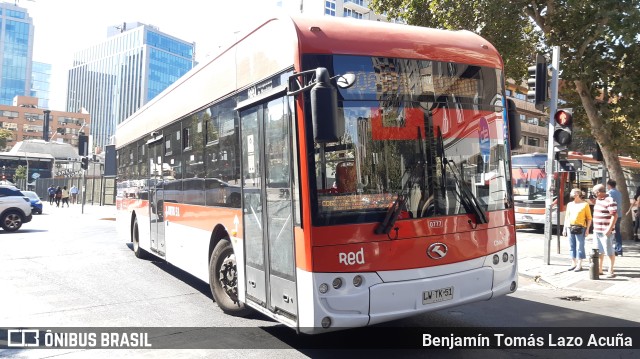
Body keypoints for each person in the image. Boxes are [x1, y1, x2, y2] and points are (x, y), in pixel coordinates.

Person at [592, 183, 618, 278]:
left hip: (606, 231)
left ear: (598, 192)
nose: (593, 194)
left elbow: (614, 215)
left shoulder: (610, 200)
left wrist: (609, 229)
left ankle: (611, 270)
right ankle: (600, 269)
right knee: (599, 251)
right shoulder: (598, 199)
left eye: (594, 192)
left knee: (609, 251)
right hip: (597, 230)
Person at [563, 188, 592, 272]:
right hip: (570, 227)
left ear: (577, 194)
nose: (571, 195)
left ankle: (579, 264)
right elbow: (567, 216)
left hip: (580, 227)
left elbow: (589, 218)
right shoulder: (569, 204)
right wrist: (564, 228)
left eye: (572, 193)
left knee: (580, 246)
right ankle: (573, 263)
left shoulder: (585, 205)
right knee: (572, 245)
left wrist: (587, 229)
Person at [606, 179, 623, 256]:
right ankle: (619, 250)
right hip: (619, 215)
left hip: (611, 216)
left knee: (610, 232)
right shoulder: (619, 193)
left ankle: (610, 250)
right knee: (617, 233)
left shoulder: (609, 193)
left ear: (609, 185)